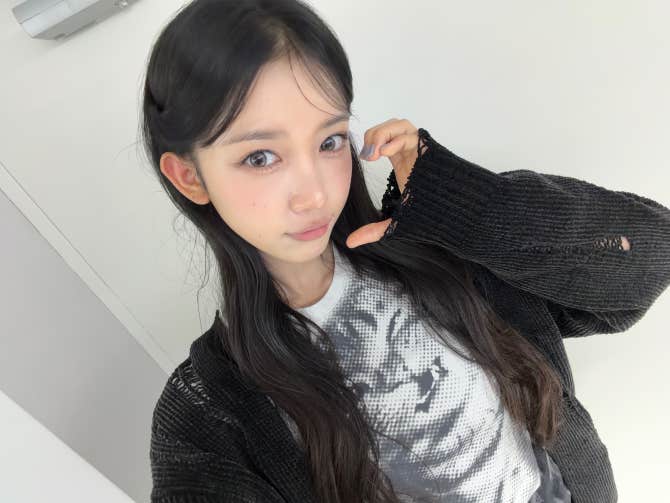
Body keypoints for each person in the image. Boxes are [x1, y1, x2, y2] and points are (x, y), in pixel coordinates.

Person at [141, 1, 670, 502]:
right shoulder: (206, 417)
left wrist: (468, 203)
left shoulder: (442, 250)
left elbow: (650, 258)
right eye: (261, 157)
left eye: (328, 141)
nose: (315, 194)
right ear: (190, 177)